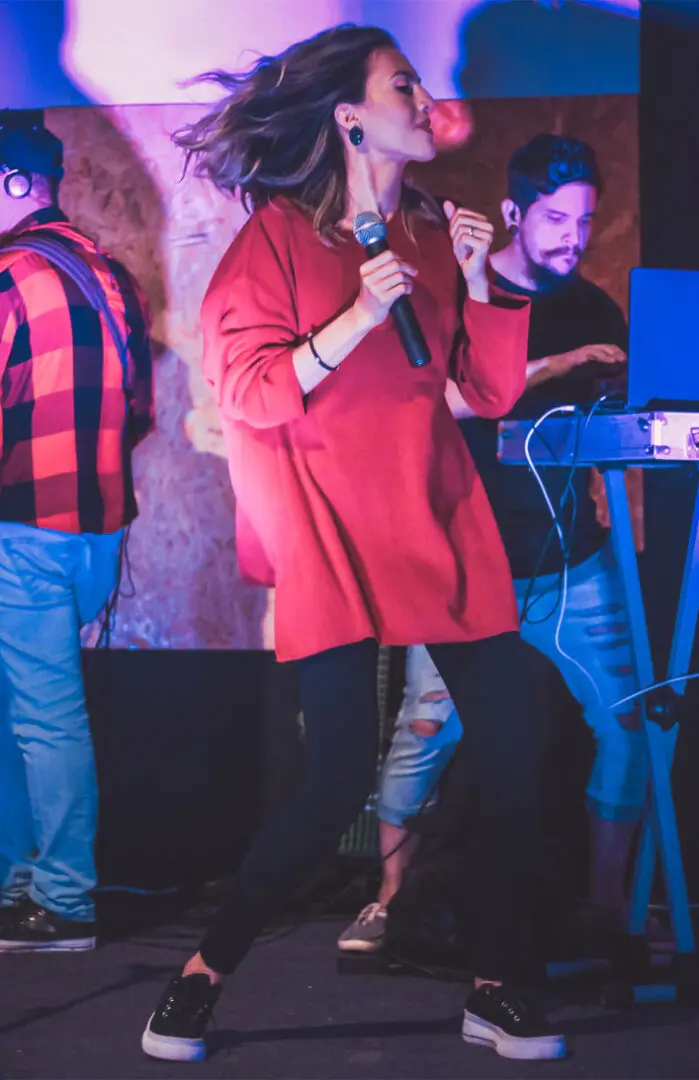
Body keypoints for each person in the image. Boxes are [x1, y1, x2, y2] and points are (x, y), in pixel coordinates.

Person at [140, 25, 566, 1064]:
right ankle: (198, 978)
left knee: (522, 746)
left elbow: (486, 391)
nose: (425, 102)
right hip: (334, 539)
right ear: (348, 116)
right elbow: (245, 390)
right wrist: (351, 323)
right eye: (403, 85)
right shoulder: (278, 240)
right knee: (331, 784)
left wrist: (488, 277)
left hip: (439, 530)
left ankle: (496, 984)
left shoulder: (424, 230)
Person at [338, 133, 643, 958]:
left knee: (631, 727)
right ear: (512, 213)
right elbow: (449, 398)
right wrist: (563, 363)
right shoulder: (458, 290)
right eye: (553, 220)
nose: (571, 238)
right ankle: (387, 900)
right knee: (426, 732)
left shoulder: (593, 305)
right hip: (467, 560)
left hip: (570, 558)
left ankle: (608, 909)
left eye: (582, 222)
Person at [0, 114, 153, 950]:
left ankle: (60, 901)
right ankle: (24, 881)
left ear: (18, 182)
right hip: (95, 534)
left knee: (41, 720)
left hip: (21, 528)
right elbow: (140, 413)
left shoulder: (6, 276)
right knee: (22, 714)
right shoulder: (107, 273)